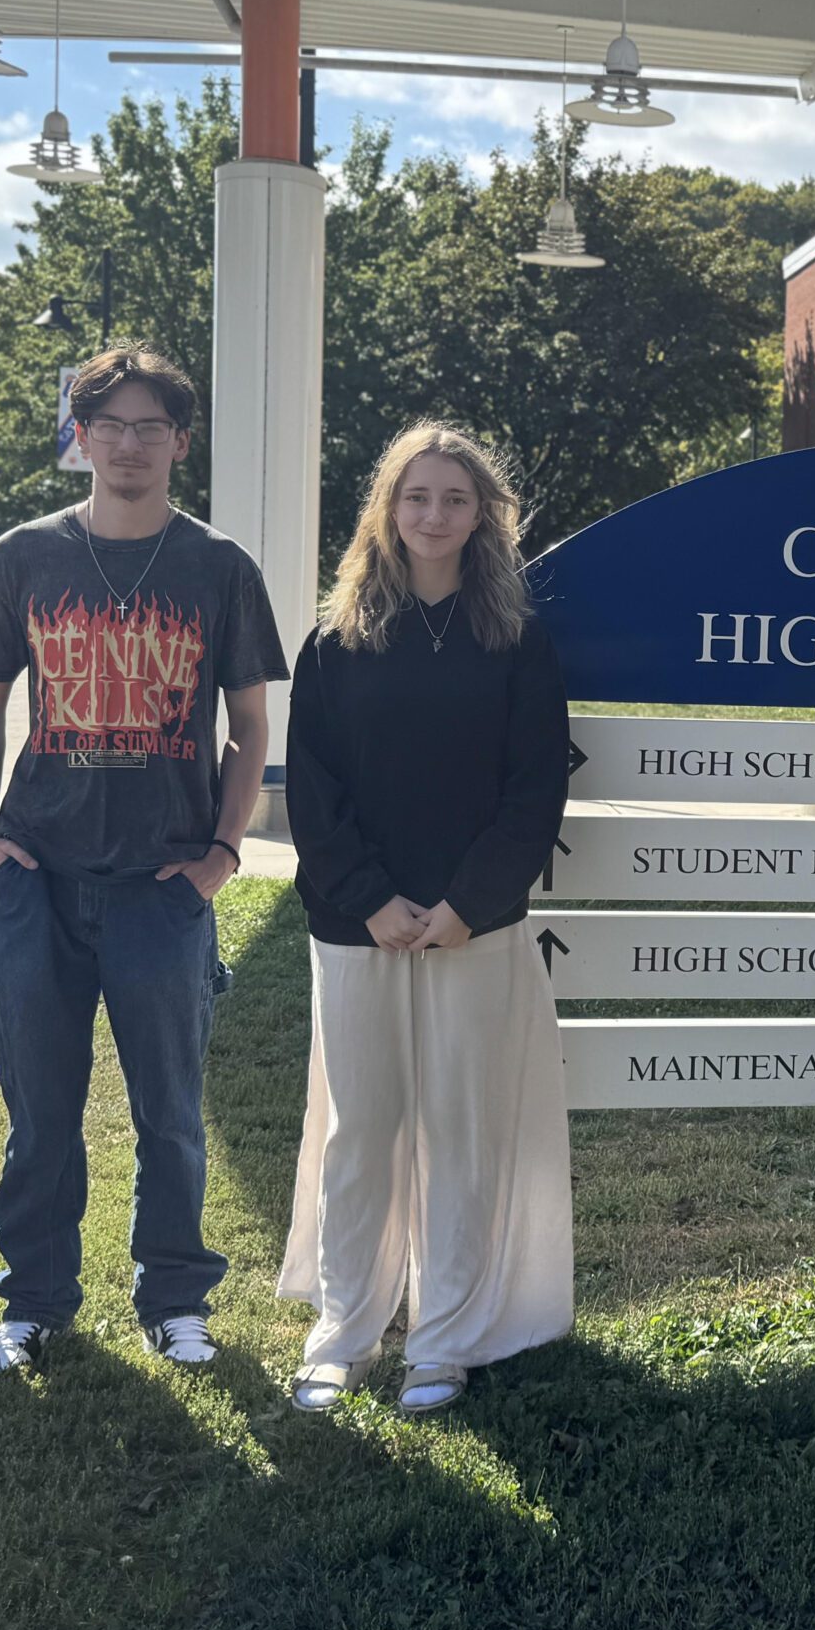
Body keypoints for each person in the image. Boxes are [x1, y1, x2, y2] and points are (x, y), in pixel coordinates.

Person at [0, 347, 286, 1377]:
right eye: (111, 426)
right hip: (39, 876)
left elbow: (249, 729)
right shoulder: (23, 557)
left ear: (180, 444)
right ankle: (36, 1303)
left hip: (164, 882)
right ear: (80, 438)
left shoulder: (217, 568)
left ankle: (174, 1298)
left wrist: (223, 854)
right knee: (39, 1113)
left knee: (170, 1116)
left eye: (151, 428)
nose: (130, 444)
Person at [275, 423, 573, 1415]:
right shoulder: (337, 640)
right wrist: (370, 898)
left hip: (470, 927)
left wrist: (462, 906)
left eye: (453, 498)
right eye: (415, 497)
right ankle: (345, 1329)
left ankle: (442, 1337)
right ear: (386, 512)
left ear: (483, 515)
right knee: (361, 1129)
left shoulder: (517, 643)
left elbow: (533, 792)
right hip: (356, 923)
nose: (433, 515)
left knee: (461, 1130)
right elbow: (312, 795)